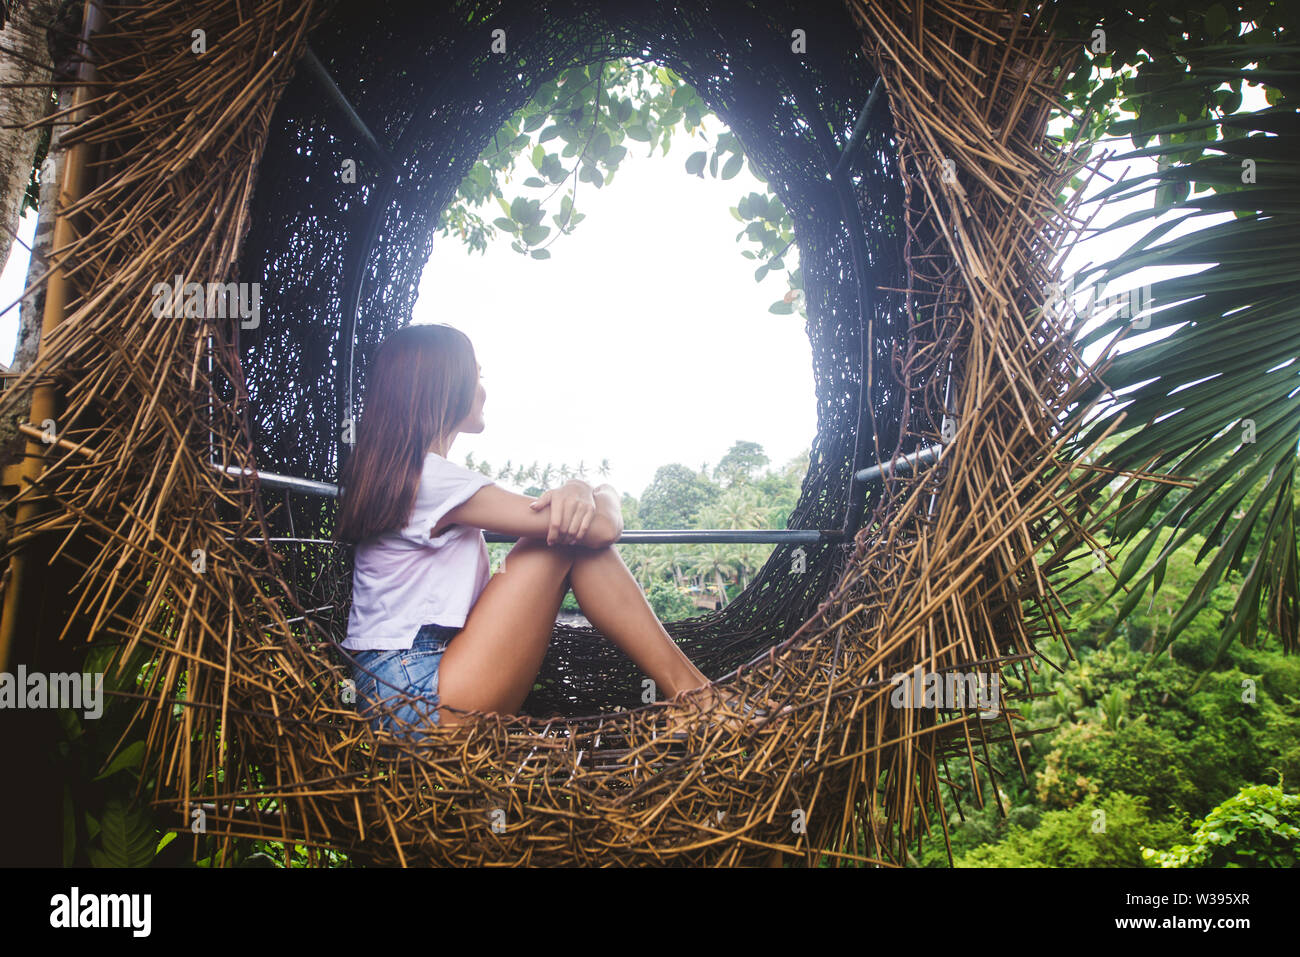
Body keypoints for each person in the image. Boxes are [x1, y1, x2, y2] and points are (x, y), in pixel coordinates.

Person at [334, 323, 772, 740]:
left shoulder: (409, 474)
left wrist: (579, 492)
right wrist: (600, 489)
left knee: (565, 537)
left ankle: (695, 698)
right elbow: (599, 526)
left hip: (399, 691)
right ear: (445, 387)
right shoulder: (433, 479)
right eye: (477, 376)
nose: (483, 389)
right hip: (418, 698)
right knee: (566, 541)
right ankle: (697, 699)